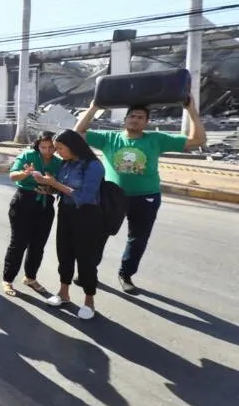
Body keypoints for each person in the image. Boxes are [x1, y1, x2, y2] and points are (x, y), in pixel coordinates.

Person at [73, 95, 206, 292]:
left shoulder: (156, 139)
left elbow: (198, 140)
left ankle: (125, 274)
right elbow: (77, 134)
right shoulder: (109, 138)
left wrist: (191, 111)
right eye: (132, 116)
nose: (135, 119)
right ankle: (89, 270)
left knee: (137, 239)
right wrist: (93, 108)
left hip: (146, 197)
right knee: (98, 235)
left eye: (140, 117)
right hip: (113, 196)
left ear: (146, 122)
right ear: (125, 119)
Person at [31, 129, 105, 320]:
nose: (57, 152)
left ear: (73, 146)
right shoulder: (67, 163)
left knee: (85, 257)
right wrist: (48, 188)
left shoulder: (93, 165)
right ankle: (64, 293)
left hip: (87, 215)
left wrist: (55, 185)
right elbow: (64, 191)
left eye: (60, 148)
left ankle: (89, 300)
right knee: (64, 253)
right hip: (66, 212)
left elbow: (86, 197)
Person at [2, 131, 63, 297]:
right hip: (24, 202)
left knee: (38, 245)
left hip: (45, 205)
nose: (48, 151)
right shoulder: (28, 155)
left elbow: (61, 186)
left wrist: (50, 187)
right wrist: (27, 173)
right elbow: (13, 176)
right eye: (44, 147)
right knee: (18, 243)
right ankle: (7, 279)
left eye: (51, 147)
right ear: (38, 145)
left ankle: (30, 277)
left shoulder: (58, 162)